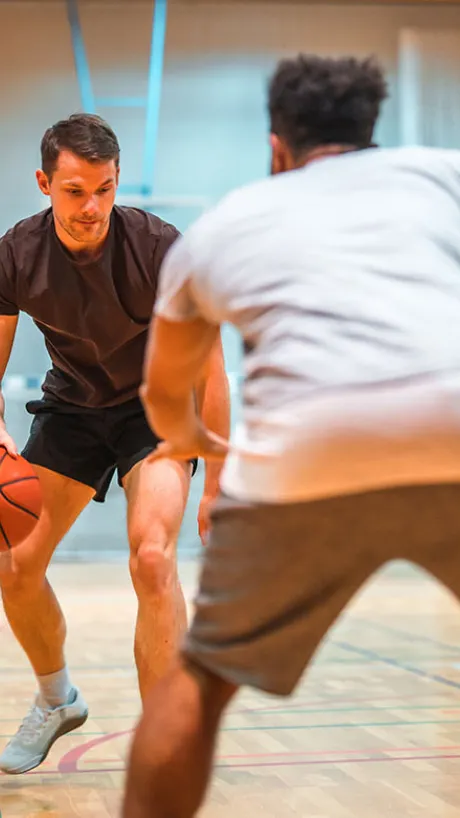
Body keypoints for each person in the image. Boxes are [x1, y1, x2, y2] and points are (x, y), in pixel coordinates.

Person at [121, 53, 460, 818]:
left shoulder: (225, 223)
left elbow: (163, 396)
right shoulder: (444, 174)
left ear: (277, 145)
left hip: (304, 451)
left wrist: (207, 447)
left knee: (200, 683)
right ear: (370, 131)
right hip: (453, 430)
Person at [0, 113, 230, 775]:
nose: (91, 206)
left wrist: (215, 483)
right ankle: (57, 698)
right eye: (75, 191)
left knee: (152, 558)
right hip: (72, 411)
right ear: (45, 183)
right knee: (15, 566)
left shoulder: (162, 250)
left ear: (117, 180)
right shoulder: (15, 255)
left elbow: (210, 371)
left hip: (155, 412)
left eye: (103, 189)